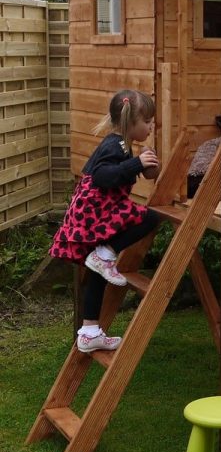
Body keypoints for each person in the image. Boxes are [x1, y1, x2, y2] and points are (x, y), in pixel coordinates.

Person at [50, 89, 162, 353]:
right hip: (95, 212)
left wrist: (143, 166)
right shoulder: (116, 145)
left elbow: (119, 174)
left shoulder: (123, 145)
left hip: (95, 211)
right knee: (150, 217)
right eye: (147, 122)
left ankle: (89, 332)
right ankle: (106, 252)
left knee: (98, 271)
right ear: (130, 123)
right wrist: (135, 164)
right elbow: (103, 177)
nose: (151, 126)